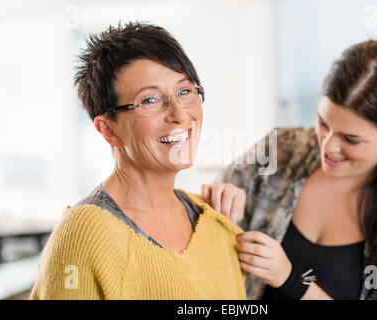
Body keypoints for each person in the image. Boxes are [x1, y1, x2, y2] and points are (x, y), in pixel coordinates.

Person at [203, 40, 377, 300]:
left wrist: (290, 279)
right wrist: (218, 205)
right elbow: (201, 240)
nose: (328, 147)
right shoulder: (282, 150)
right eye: (322, 123)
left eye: (351, 139)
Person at [30, 22, 246, 300]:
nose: (180, 115)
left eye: (184, 91)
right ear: (109, 130)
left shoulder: (214, 218)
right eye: (150, 100)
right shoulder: (82, 235)